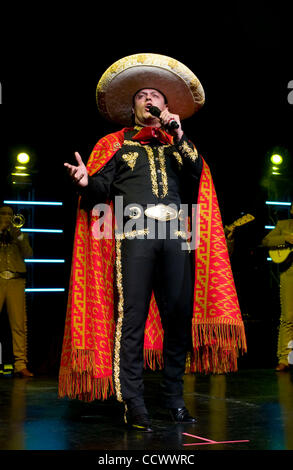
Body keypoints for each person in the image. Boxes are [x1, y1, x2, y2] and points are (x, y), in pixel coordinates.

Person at [59, 53, 246, 432]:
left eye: (155, 95)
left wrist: (179, 136)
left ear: (165, 105)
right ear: (134, 106)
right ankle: (135, 403)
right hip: (136, 238)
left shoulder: (179, 145)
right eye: (142, 94)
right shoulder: (118, 144)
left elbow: (197, 173)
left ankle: (174, 401)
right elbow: (100, 190)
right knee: (133, 321)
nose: (149, 99)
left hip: (176, 237)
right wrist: (84, 181)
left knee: (178, 319)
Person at [0, 205, 34, 377]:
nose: (7, 217)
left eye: (9, 214)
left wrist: (17, 234)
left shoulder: (20, 234)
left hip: (16, 281)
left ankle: (20, 364)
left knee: (19, 324)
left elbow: (29, 254)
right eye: (3, 214)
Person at [262, 202, 293, 371]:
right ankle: (285, 358)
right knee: (288, 316)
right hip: (290, 272)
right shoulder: (284, 225)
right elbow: (266, 241)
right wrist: (285, 238)